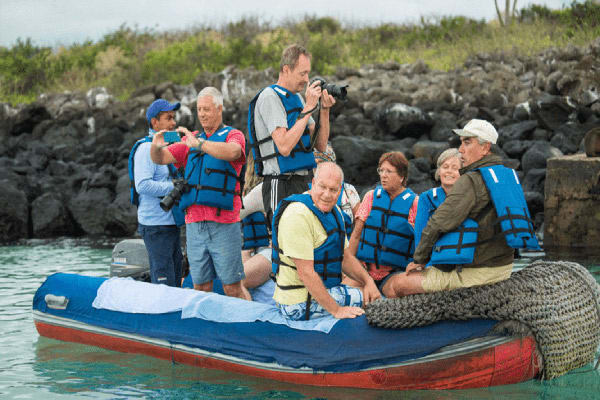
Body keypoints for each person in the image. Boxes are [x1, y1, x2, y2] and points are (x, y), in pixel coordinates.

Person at [394, 119, 540, 296]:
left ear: (485, 148)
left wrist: (419, 260)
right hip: (503, 267)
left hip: (478, 274)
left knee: (399, 284)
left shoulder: (471, 180)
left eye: (467, 142)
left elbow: (438, 223)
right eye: (462, 142)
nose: (461, 149)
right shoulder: (506, 175)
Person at [150, 87, 251, 300]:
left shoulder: (233, 135)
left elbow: (234, 152)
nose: (202, 114)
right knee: (200, 287)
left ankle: (245, 326)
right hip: (195, 224)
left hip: (224, 223)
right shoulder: (190, 139)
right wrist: (155, 145)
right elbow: (160, 159)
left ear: (219, 108)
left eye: (206, 109)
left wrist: (201, 144)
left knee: (232, 287)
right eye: (199, 109)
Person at [272, 162, 381, 320]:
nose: (327, 194)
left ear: (340, 190)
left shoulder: (334, 211)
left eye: (333, 189)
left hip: (321, 290)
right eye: (322, 187)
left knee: (370, 289)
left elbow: (345, 257)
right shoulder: (297, 215)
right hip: (297, 303)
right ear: (313, 183)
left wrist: (368, 280)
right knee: (368, 298)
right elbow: (306, 273)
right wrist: (337, 310)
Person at [247, 44, 336, 225]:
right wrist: (309, 108)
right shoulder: (270, 97)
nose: (307, 79)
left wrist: (324, 110)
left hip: (304, 181)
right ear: (286, 70)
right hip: (280, 183)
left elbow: (320, 145)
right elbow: (284, 146)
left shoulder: (297, 98)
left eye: (308, 73)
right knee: (284, 244)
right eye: (302, 73)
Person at [345, 151, 419, 298]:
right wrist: (348, 266)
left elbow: (422, 242)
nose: (383, 175)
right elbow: (356, 235)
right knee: (346, 294)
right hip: (364, 271)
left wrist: (418, 265)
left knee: (396, 290)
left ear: (401, 177)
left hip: (394, 273)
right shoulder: (371, 196)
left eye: (389, 171)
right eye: (381, 170)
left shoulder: (415, 203)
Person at [128, 99, 184, 287]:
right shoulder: (145, 149)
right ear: (154, 122)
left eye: (174, 118)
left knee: (176, 278)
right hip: (155, 226)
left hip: (170, 223)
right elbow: (142, 186)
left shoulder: (168, 145)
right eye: (168, 118)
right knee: (164, 283)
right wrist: (174, 186)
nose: (173, 123)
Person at [414, 148, 462, 248]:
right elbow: (420, 234)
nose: (449, 171)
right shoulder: (426, 198)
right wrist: (420, 261)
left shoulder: (469, 197)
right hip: (434, 258)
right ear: (439, 171)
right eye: (445, 167)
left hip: (462, 258)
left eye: (455, 168)